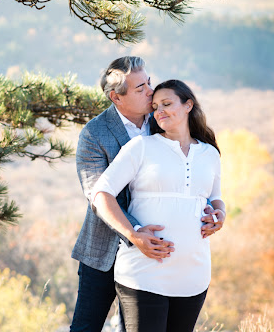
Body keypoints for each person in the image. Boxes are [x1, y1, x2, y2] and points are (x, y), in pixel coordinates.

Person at [90, 79, 226, 332]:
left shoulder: (210, 153)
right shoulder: (142, 147)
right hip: (143, 274)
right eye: (154, 106)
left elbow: (216, 197)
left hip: (193, 275)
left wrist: (221, 215)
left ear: (188, 105)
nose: (159, 111)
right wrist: (133, 234)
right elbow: (101, 192)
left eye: (166, 104)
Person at [70, 56, 175, 332]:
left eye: (149, 82)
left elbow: (189, 168)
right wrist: (135, 231)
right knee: (85, 328)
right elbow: (97, 195)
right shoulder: (93, 133)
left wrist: (214, 206)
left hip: (153, 250)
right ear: (116, 97)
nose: (151, 91)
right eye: (141, 88)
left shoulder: (162, 122)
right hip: (103, 250)